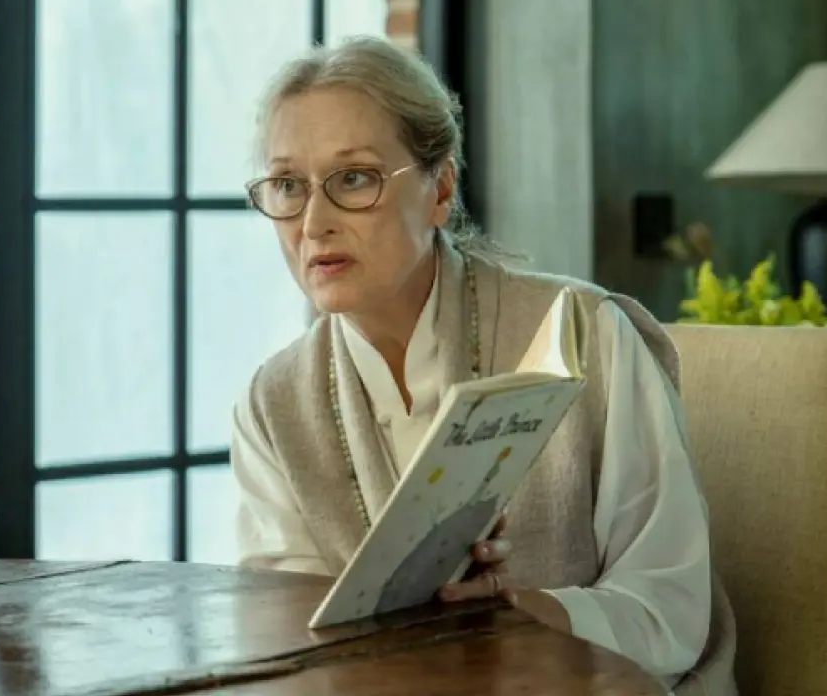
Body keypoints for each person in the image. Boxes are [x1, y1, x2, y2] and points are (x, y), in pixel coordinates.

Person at [229, 36, 738, 696]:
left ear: (440, 188)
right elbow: (287, 643)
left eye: (354, 178)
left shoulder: (585, 335)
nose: (313, 223)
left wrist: (521, 614)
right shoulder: (272, 407)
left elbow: (672, 609)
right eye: (287, 186)